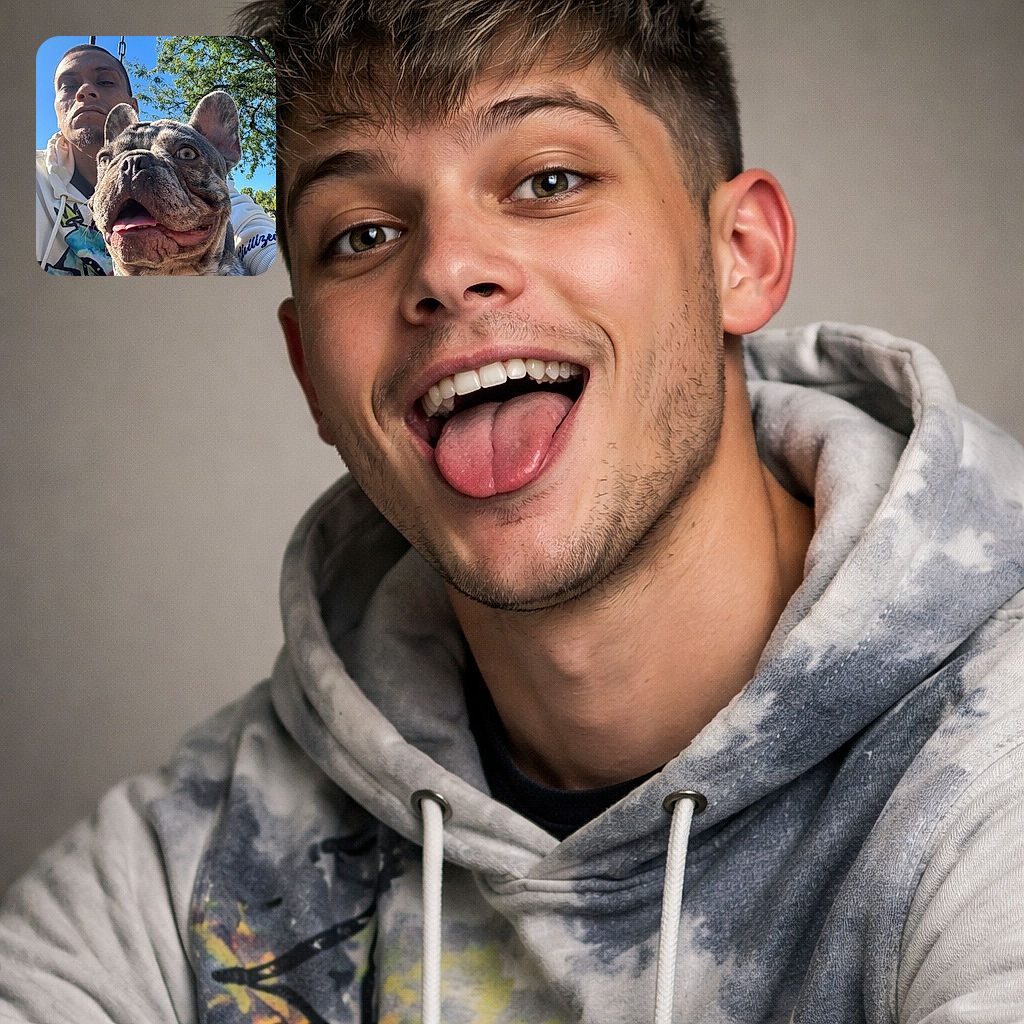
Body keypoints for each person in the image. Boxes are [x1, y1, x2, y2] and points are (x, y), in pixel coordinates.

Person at [4, 1, 1024, 1021]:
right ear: (311, 371)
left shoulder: (991, 763)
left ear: (740, 254)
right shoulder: (198, 858)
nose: (445, 268)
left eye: (548, 180)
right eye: (362, 233)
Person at [36, 43, 277, 276]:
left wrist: (272, 264)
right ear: (55, 108)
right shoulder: (27, 182)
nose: (85, 91)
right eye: (68, 85)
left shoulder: (210, 168)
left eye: (185, 154)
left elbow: (250, 226)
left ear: (132, 106)